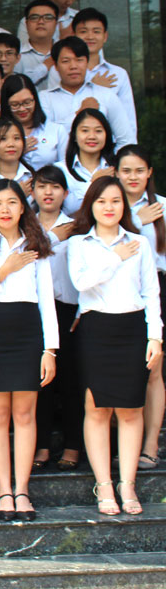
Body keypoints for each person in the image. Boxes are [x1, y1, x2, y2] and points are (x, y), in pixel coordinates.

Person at [67, 176, 162, 516]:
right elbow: (81, 282)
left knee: (131, 409)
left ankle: (128, 483)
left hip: (133, 328)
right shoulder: (79, 243)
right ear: (91, 205)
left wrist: (155, 336)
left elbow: (151, 292)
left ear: (125, 206)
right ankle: (104, 484)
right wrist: (115, 257)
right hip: (96, 329)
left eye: (116, 201)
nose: (109, 207)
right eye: (102, 201)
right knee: (96, 409)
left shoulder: (140, 242)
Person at [0, 180, 58, 521]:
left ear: (23, 208)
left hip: (28, 330)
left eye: (12, 202)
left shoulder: (35, 244)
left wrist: (50, 349)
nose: (5, 209)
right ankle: (4, 490)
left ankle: (23, 490)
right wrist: (3, 271)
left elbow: (46, 300)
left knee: (25, 414)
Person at [115, 146, 166, 471]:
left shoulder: (162, 207)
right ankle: (123, 442)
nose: (132, 176)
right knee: (125, 371)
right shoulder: (109, 205)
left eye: (139, 170)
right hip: (118, 294)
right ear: (116, 173)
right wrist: (136, 221)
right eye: (126, 170)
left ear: (149, 172)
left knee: (154, 370)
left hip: (157, 288)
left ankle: (150, 444)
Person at [32, 165, 82, 471]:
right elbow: (25, 257)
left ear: (65, 193)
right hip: (36, 311)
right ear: (33, 191)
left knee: (71, 380)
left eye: (54, 187)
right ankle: (41, 444)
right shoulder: (26, 225)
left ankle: (73, 444)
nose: (48, 192)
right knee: (40, 381)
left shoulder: (77, 227)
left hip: (69, 310)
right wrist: (50, 238)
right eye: (42, 186)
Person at [0, 74, 67, 170]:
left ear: (35, 100)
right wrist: (18, 153)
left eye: (27, 102)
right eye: (15, 104)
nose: (22, 109)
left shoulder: (56, 130)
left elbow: (66, 167)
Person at [55, 108, 115, 215]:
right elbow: (64, 209)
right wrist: (92, 184)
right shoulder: (60, 170)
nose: (92, 136)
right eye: (85, 131)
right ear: (74, 135)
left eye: (98, 131)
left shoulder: (116, 168)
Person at [0, 118, 34, 191]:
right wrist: (20, 194)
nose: (11, 144)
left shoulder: (34, 178)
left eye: (16, 138)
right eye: (3, 139)